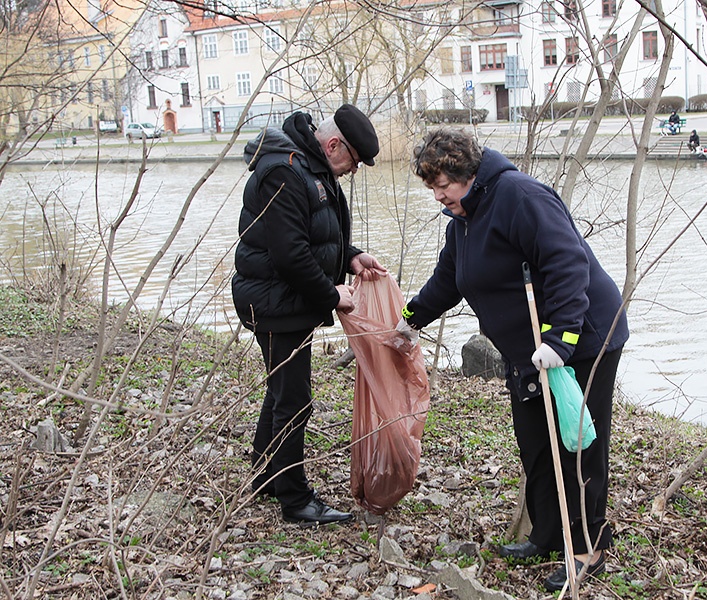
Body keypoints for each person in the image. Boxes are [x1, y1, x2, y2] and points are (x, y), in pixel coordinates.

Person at [396, 129, 629, 592]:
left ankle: (588, 546)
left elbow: (567, 263)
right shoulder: (462, 218)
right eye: (433, 188)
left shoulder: (520, 197)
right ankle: (546, 534)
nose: (439, 196)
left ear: (469, 173)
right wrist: (411, 317)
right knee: (535, 442)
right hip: (528, 352)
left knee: (576, 444)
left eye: (444, 185)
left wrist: (560, 340)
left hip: (581, 341)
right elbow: (450, 277)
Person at [232, 105, 387, 526]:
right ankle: (296, 500)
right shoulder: (284, 171)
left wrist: (351, 258)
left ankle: (268, 476)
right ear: (334, 144)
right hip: (273, 301)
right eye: (353, 161)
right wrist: (332, 296)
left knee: (281, 391)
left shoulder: (313, 167)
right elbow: (290, 255)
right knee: (295, 401)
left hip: (285, 299)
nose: (353, 171)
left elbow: (314, 235)